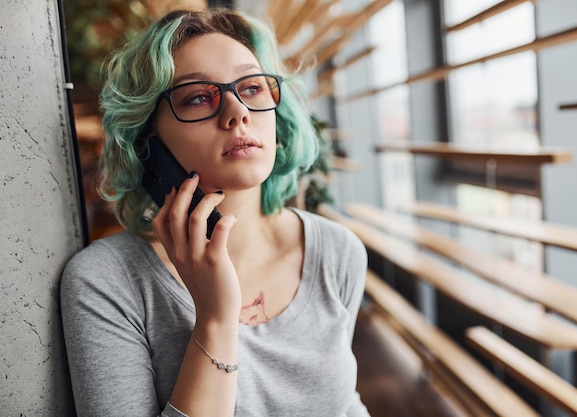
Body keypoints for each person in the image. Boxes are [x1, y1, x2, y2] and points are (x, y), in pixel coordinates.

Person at [60, 7, 370, 417]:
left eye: (252, 87)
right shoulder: (105, 283)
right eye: (199, 97)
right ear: (150, 141)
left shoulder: (336, 251)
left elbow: (344, 405)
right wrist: (216, 318)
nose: (237, 112)